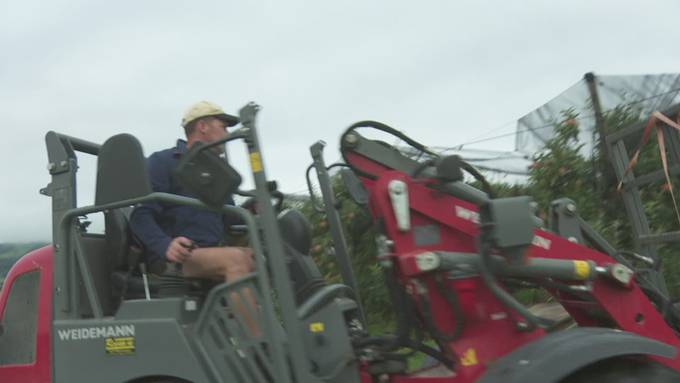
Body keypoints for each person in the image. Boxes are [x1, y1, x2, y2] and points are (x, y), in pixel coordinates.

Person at [129, 100, 255, 297]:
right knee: (236, 260)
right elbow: (140, 215)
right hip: (176, 256)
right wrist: (165, 245)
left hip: (210, 252)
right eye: (223, 127)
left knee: (265, 257)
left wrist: (253, 209)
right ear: (202, 126)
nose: (227, 135)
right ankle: (254, 329)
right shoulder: (162, 162)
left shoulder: (216, 173)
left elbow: (230, 218)